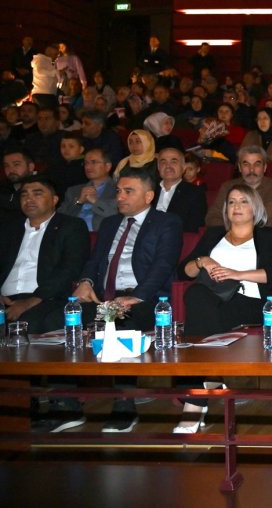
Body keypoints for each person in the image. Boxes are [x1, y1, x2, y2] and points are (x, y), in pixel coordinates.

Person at [72, 166, 183, 433]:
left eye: (128, 191)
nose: (120, 197)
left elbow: (163, 265)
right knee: (64, 319)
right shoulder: (110, 224)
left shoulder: (167, 222)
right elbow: (95, 261)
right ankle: (62, 403)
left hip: (146, 298)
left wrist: (137, 296)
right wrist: (86, 282)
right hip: (104, 298)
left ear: (148, 196)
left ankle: (124, 405)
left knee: (121, 324)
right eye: (119, 190)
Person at [176, 184, 272, 433]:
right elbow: (183, 271)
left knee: (201, 311)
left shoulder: (267, 235)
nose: (237, 206)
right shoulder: (214, 235)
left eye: (243, 201)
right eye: (232, 202)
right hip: (212, 300)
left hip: (250, 301)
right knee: (195, 294)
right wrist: (203, 261)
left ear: (255, 208)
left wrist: (236, 274)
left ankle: (197, 397)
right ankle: (209, 380)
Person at [1, 176, 90, 434]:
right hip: (6, 299)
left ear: (54, 200)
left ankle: (65, 406)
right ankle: (16, 407)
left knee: (35, 323)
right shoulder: (8, 229)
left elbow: (69, 269)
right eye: (24, 194)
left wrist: (29, 302)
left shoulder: (71, 226)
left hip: (48, 297)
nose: (29, 198)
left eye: (37, 193)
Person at [205, 145, 272, 229]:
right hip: (231, 234)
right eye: (246, 164)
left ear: (265, 167)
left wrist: (250, 229)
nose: (251, 169)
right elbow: (212, 217)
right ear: (240, 167)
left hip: (264, 235)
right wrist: (235, 229)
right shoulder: (228, 187)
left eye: (257, 164)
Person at [59, 148, 118, 232]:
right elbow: (60, 217)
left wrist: (95, 201)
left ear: (108, 166)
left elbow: (116, 215)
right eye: (86, 163)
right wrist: (79, 202)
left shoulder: (118, 190)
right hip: (72, 234)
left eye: (94, 162)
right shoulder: (73, 191)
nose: (88, 167)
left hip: (100, 235)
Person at [154, 147, 207, 233]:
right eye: (163, 162)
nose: (168, 166)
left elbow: (194, 226)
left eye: (173, 162)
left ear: (183, 167)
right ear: (158, 167)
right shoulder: (148, 189)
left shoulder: (195, 193)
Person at [0, 149, 35, 222]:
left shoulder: (44, 185)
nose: (11, 170)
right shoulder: (4, 186)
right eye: (6, 166)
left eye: (16, 164)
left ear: (30, 167)